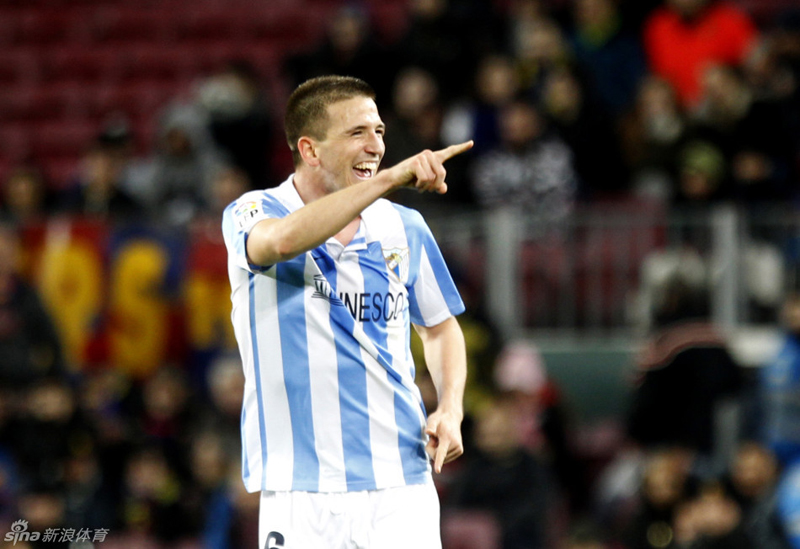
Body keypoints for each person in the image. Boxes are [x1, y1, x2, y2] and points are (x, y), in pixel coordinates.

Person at [221, 75, 471, 548]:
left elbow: (440, 327)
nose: (376, 145)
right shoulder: (253, 211)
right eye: (357, 133)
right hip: (302, 489)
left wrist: (451, 407)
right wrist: (390, 179)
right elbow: (281, 242)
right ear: (310, 150)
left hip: (402, 481)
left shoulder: (404, 226)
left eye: (378, 131)